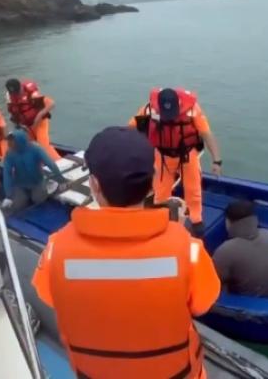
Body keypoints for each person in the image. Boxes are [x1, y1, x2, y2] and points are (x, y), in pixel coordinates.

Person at [32, 127, 220, 379]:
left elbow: (48, 296)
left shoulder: (56, 250)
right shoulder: (189, 250)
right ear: (152, 182)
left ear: (94, 184)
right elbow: (203, 304)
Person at [129, 88, 223, 237]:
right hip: (162, 156)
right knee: (160, 191)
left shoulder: (192, 110)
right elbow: (130, 129)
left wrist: (217, 161)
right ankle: (161, 218)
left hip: (187, 154)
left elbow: (206, 134)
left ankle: (195, 220)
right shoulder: (149, 109)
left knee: (193, 189)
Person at [213, 200, 268, 298]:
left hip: (252, 302)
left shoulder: (226, 250)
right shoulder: (267, 234)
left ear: (228, 222)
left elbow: (212, 280)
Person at [1, 129, 66, 211]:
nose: (9, 144)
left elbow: (50, 164)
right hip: (20, 184)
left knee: (38, 200)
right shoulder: (10, 153)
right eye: (8, 141)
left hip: (37, 182)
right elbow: (7, 173)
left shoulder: (36, 149)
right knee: (17, 205)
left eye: (11, 141)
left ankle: (49, 186)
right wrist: (8, 196)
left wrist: (61, 180)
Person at [5, 78, 61, 161]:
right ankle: (40, 164)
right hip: (26, 126)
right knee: (29, 146)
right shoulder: (10, 97)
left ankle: (60, 162)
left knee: (43, 145)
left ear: (20, 87)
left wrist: (38, 117)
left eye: (17, 92)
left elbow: (51, 104)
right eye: (13, 93)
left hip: (40, 122)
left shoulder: (32, 94)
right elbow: (13, 113)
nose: (16, 95)